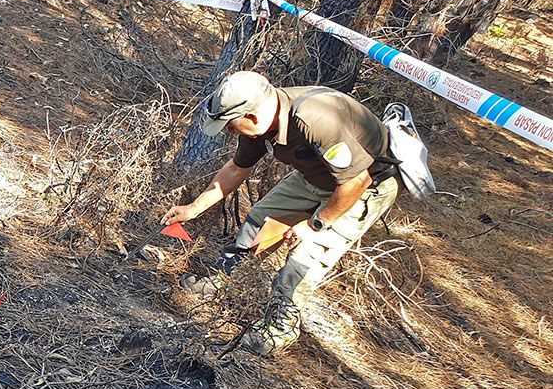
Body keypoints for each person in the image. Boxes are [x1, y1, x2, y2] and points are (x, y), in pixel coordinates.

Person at [162, 70, 401, 356]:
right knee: (259, 220)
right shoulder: (260, 120)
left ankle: (279, 328)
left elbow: (355, 181)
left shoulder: (316, 120)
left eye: (230, 125)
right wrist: (193, 209)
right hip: (315, 176)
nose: (230, 132)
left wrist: (315, 224)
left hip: (364, 186)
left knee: (304, 259)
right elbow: (237, 169)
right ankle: (228, 280)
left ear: (251, 117)